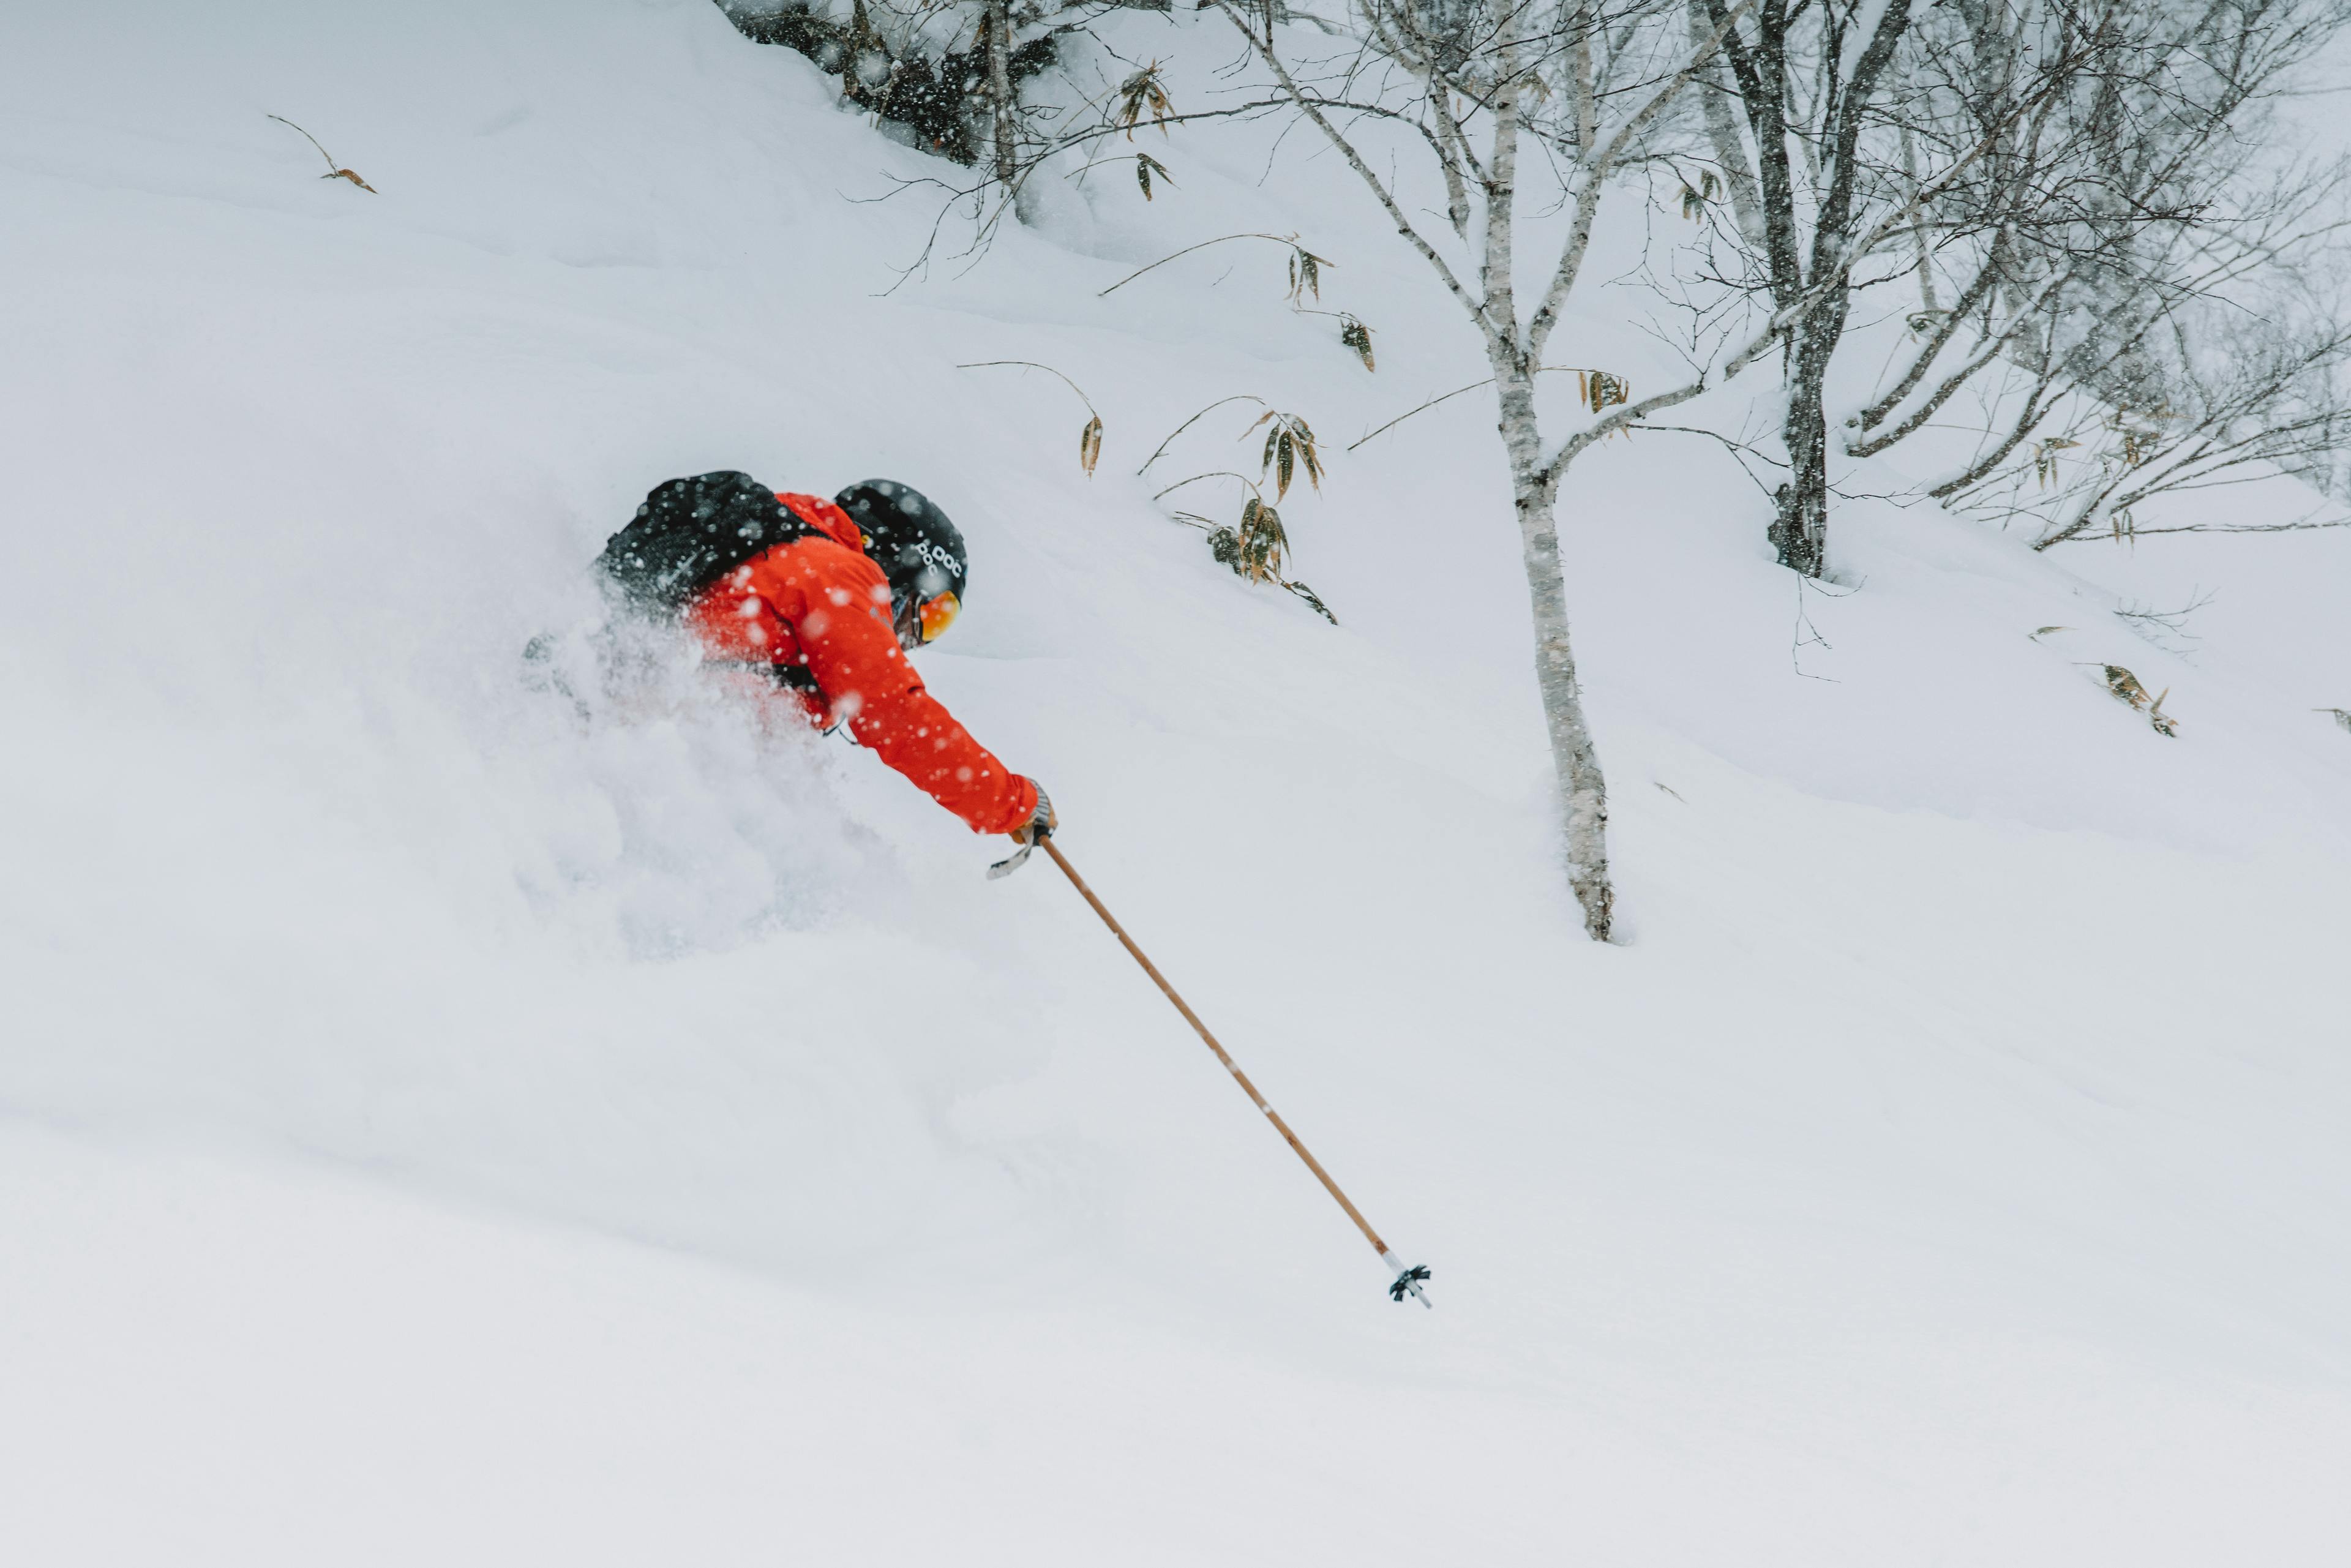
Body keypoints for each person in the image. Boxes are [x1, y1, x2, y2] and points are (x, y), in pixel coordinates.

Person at [606, 473, 1054, 843]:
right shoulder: (838, 572)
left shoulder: (777, 553)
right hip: (692, 755)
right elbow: (895, 712)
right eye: (929, 613)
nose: (912, 638)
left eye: (939, 625)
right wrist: (1009, 802)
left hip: (659, 737)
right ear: (899, 563)